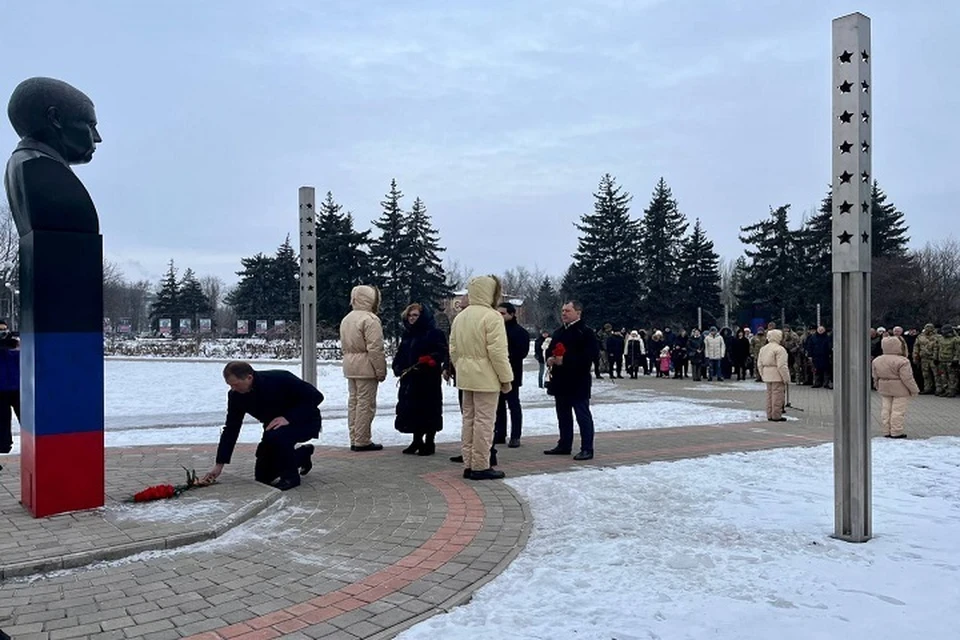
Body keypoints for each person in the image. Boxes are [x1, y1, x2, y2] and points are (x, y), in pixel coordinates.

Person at [203, 362, 323, 491]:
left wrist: (288, 418)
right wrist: (219, 464)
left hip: (305, 421)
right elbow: (231, 428)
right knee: (263, 476)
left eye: (235, 384)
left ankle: (291, 478)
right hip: (273, 429)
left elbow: (316, 397)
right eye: (230, 385)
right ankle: (303, 454)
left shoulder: (280, 378)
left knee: (279, 436)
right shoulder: (236, 396)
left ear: (249, 378)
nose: (233, 388)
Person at [449, 275, 513, 480]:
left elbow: (453, 348)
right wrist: (506, 379)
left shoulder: (461, 317)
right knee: (485, 423)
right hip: (486, 378)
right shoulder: (492, 316)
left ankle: (469, 463)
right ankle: (480, 465)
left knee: (468, 420)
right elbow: (497, 353)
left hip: (466, 376)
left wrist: (461, 367)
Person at [544, 301, 599, 460]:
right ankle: (564, 444)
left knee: (582, 415)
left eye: (567, 310)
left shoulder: (585, 332)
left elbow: (591, 355)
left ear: (578, 312)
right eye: (562, 311)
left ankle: (587, 448)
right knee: (563, 414)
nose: (564, 313)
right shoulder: (559, 332)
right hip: (560, 381)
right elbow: (549, 350)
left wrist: (565, 360)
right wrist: (549, 358)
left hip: (578, 381)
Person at [393, 303, 448, 456]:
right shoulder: (408, 334)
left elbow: (442, 351)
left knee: (429, 409)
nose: (411, 318)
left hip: (427, 379)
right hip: (410, 378)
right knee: (412, 409)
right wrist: (397, 367)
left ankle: (430, 442)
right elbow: (401, 353)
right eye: (410, 315)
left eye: (415, 315)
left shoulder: (434, 333)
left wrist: (431, 359)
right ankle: (417, 440)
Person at [339, 285, 387, 452]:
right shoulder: (370, 320)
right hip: (366, 368)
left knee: (353, 403)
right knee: (366, 405)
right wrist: (381, 371)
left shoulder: (347, 319)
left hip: (350, 365)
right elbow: (375, 349)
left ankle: (354, 437)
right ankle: (362, 440)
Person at [494, 302, 530, 448]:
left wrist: (504, 357)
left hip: (512, 373)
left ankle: (516, 435)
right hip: (496, 373)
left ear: (512, 314)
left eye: (503, 313)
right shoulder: (495, 329)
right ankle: (500, 433)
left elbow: (522, 353)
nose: (500, 316)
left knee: (513, 404)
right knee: (498, 405)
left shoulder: (520, 332)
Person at [872, 336, 920, 439]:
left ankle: (886, 430)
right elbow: (907, 378)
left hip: (884, 387)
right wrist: (914, 390)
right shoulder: (902, 361)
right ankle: (896, 431)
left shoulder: (877, 360)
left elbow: (875, 376)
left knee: (886, 410)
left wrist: (877, 386)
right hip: (900, 389)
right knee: (898, 411)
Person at [758, 329, 790, 422]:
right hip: (777, 375)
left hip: (767, 374)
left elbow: (759, 364)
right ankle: (776, 415)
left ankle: (769, 414)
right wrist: (786, 378)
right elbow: (782, 365)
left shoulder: (763, 348)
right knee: (777, 396)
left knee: (769, 396)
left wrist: (762, 374)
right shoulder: (780, 349)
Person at [0, 321, 19, 460]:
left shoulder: (14, 345)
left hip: (18, 388)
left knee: (27, 417)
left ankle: (32, 441)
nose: (3, 333)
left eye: (5, 330)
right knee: (3, 419)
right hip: (1, 389)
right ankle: (4, 445)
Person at [914, 323, 938, 394]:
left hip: (933, 358)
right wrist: (915, 357)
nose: (928, 329)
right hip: (924, 358)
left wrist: (937, 357)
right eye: (927, 327)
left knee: (936, 375)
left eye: (930, 328)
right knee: (926, 375)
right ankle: (927, 388)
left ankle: (939, 388)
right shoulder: (920, 337)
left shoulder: (937, 337)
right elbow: (916, 347)